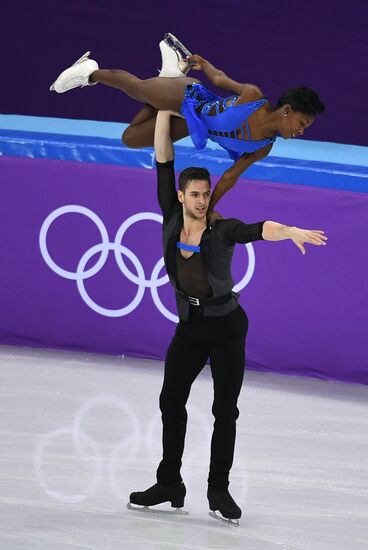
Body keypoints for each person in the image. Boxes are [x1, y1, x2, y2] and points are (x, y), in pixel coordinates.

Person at [127, 110, 327, 524]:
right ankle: (170, 482)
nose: (202, 201)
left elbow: (256, 229)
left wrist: (289, 231)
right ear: (182, 196)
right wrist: (165, 107)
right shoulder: (169, 215)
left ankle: (218, 489)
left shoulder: (219, 230)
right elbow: (163, 158)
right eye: (195, 194)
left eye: (205, 194)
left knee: (225, 411)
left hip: (226, 329)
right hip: (190, 328)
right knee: (170, 401)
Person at [49, 35, 325, 211]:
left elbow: (230, 177)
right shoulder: (253, 96)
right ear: (287, 110)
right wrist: (204, 64)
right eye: (301, 123)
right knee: (136, 88)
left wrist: (209, 210)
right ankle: (90, 71)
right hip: (189, 97)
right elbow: (219, 80)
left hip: (192, 124)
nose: (300, 132)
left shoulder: (264, 147)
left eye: (305, 129)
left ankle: (169, 73)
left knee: (130, 139)